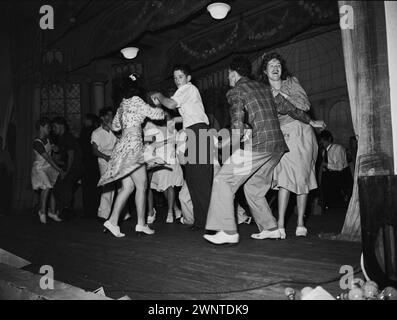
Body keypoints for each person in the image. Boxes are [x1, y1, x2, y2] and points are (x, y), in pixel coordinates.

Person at [203, 56, 321, 245]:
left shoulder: (236, 91)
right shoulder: (266, 88)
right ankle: (270, 228)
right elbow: (290, 108)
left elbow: (238, 126)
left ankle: (227, 230)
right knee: (254, 187)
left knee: (223, 179)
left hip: (259, 147)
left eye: (228, 76)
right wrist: (311, 121)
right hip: (277, 147)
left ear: (233, 74)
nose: (228, 80)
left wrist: (223, 145)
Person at [261, 52, 325, 239]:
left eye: (278, 65)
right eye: (271, 65)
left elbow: (304, 105)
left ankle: (300, 224)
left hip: (301, 132)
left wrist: (282, 95)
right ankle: (280, 224)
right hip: (282, 134)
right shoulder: (264, 91)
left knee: (302, 176)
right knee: (284, 178)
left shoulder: (291, 82)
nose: (275, 68)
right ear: (265, 71)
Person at [98, 73, 165, 238]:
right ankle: (141, 224)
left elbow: (114, 126)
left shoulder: (122, 104)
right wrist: (159, 104)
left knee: (127, 187)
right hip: (134, 145)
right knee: (142, 185)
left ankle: (113, 221)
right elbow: (158, 115)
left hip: (122, 147)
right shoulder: (137, 100)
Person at [151, 65, 213, 231]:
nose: (177, 80)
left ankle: (211, 223)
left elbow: (171, 104)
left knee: (201, 180)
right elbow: (189, 113)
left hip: (199, 132)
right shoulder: (187, 92)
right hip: (193, 132)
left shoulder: (187, 88)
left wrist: (158, 94)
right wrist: (176, 121)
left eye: (180, 76)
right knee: (193, 180)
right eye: (175, 77)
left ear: (188, 78)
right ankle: (201, 221)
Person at [144, 110, 183, 224]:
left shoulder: (173, 129)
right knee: (162, 187)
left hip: (170, 160)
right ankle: (174, 209)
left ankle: (170, 211)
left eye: (167, 117)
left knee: (169, 186)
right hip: (156, 160)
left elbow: (176, 143)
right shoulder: (150, 126)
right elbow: (147, 141)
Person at [31, 117, 64, 223]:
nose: (49, 129)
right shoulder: (37, 142)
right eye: (47, 127)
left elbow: (55, 150)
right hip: (40, 168)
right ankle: (42, 211)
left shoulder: (48, 139)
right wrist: (60, 169)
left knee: (53, 188)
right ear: (41, 127)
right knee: (47, 187)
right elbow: (48, 159)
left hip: (48, 167)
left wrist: (56, 148)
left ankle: (52, 212)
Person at [52, 116, 84, 219]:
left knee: (65, 186)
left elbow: (71, 155)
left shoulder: (68, 137)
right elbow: (65, 157)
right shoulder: (61, 138)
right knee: (59, 187)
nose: (53, 129)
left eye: (54, 126)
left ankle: (66, 211)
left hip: (74, 167)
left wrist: (67, 171)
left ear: (61, 126)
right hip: (70, 167)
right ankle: (65, 210)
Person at [91, 107, 117, 220]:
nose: (111, 117)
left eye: (112, 115)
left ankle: (121, 213)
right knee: (107, 186)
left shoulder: (115, 130)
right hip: (104, 161)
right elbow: (94, 150)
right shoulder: (96, 133)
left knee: (121, 186)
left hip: (117, 160)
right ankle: (103, 214)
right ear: (102, 118)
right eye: (109, 115)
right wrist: (105, 157)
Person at [319, 130, 353, 209]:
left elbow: (340, 167)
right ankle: (325, 203)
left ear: (329, 139)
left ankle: (339, 200)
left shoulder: (338, 148)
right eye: (321, 140)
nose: (322, 142)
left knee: (328, 178)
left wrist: (326, 165)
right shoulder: (324, 152)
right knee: (323, 177)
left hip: (341, 174)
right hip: (330, 173)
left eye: (324, 140)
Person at [80, 113, 100, 218]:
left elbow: (82, 148)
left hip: (87, 163)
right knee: (96, 187)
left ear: (88, 120)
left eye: (84, 119)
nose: (83, 121)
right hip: (95, 162)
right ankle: (97, 209)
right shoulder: (96, 131)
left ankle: (89, 211)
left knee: (88, 188)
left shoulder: (85, 131)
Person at [0, 136, 14, 215]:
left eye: (1, 142)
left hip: (2, 178)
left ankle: (2, 210)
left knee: (3, 194)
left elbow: (10, 167)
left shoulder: (5, 153)